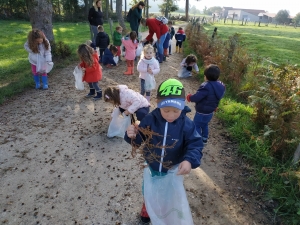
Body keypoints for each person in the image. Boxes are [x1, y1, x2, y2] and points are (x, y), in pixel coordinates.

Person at [124, 78, 203, 224]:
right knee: (149, 190)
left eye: (176, 111)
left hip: (172, 169)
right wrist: (132, 135)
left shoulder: (187, 124)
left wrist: (189, 160)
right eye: (166, 110)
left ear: (182, 107)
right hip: (152, 166)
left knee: (168, 194)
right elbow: (138, 139)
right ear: (158, 104)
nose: (171, 115)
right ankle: (147, 208)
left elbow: (195, 144)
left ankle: (167, 211)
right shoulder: (150, 120)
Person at [186, 64, 226, 144]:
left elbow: (198, 97)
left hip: (202, 111)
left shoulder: (206, 86)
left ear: (206, 76)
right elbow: (217, 97)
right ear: (218, 77)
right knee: (204, 124)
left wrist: (190, 97)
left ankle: (198, 140)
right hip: (210, 111)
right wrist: (215, 106)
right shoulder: (221, 86)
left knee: (196, 125)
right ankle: (204, 138)